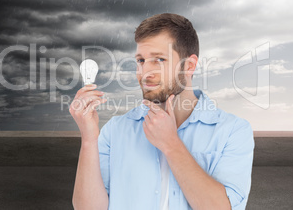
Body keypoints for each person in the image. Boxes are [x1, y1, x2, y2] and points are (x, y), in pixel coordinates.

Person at [70, 13, 255, 210]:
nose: (146, 71)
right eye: (141, 60)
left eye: (159, 59)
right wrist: (89, 139)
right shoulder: (115, 130)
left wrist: (171, 144)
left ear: (189, 66)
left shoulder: (233, 131)